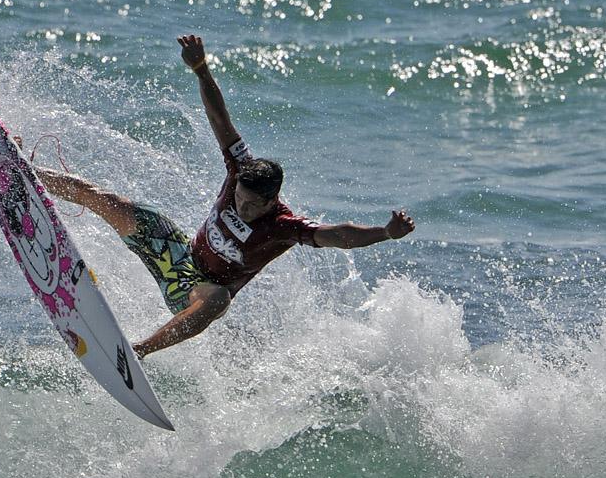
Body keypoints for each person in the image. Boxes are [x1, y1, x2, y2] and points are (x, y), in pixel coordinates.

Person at [33, 34, 415, 359]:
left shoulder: (283, 226)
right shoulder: (239, 172)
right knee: (114, 202)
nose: (243, 207)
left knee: (219, 301)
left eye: (251, 205)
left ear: (272, 200)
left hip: (198, 293)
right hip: (178, 255)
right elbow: (220, 120)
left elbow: (336, 235)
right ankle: (28, 174)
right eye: (240, 200)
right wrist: (201, 69)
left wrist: (385, 232)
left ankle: (138, 351)